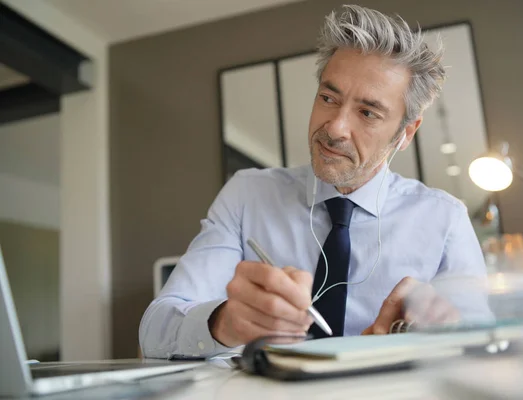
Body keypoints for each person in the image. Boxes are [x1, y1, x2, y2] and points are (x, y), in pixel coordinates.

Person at [139, 5, 491, 359]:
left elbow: (487, 348)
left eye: (367, 113)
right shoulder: (247, 195)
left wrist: (443, 332)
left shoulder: (445, 219)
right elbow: (154, 332)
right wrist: (225, 323)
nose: (335, 128)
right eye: (328, 98)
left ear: (405, 133)